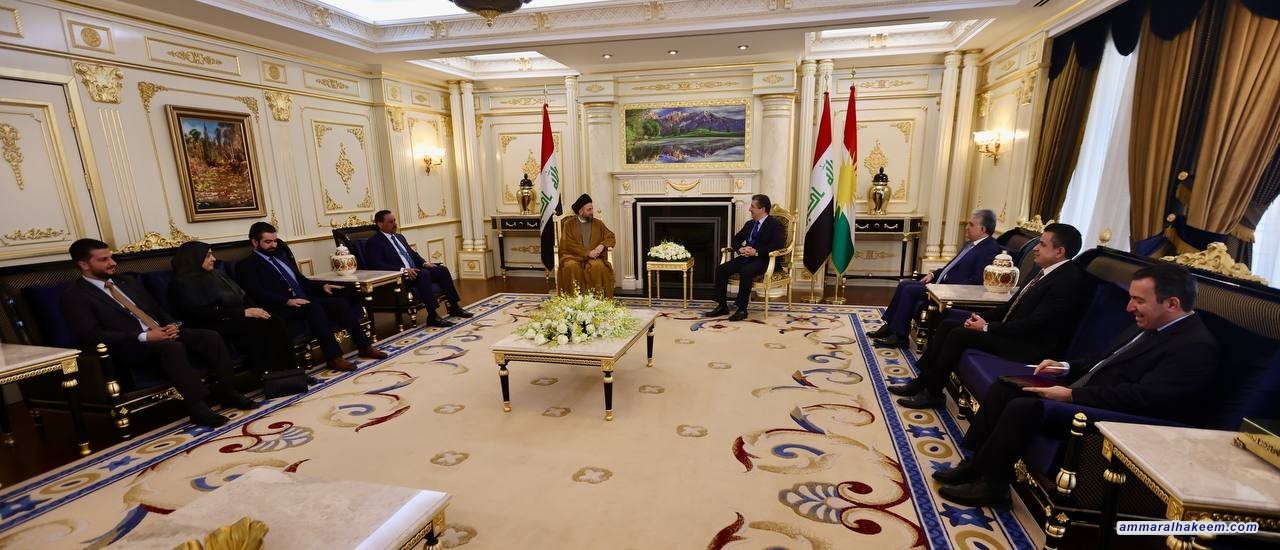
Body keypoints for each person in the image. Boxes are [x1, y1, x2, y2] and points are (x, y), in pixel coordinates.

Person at [934, 263, 1217, 507]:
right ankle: (975, 465)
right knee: (1005, 387)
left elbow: (1145, 398)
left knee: (1024, 407)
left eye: (1138, 300)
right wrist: (1065, 366)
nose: (1129, 307)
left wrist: (1072, 395)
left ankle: (994, 486)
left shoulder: (1194, 347)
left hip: (1118, 416)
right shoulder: (1151, 322)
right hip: (1090, 391)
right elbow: (1104, 361)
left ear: (1172, 304)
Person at [891, 223, 1094, 409]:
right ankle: (923, 381)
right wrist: (982, 318)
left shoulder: (1068, 281)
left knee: (958, 335)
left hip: (1029, 346)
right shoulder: (1041, 269)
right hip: (1014, 333)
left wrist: (986, 327)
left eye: (1042, 244)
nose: (1035, 248)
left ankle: (933, 393)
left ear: (1059, 251)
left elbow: (1034, 324)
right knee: (948, 324)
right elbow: (1011, 305)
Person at [60, 239, 256, 427]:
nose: (112, 263)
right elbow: (91, 334)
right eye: (104, 259)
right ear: (84, 264)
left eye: (111, 257)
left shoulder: (127, 281)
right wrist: (145, 336)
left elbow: (156, 309)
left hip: (161, 332)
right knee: (172, 348)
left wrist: (172, 324)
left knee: (209, 336)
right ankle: (197, 407)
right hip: (130, 345)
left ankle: (229, 392)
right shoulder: (75, 296)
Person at [235, 222, 387, 372]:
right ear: (254, 242)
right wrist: (287, 301)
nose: (273, 245)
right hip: (280, 307)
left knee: (338, 303)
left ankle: (365, 347)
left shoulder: (281, 257)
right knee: (313, 308)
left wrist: (322, 286)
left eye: (275, 241)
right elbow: (257, 293)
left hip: (303, 301)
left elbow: (301, 281)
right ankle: (334, 358)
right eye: (268, 242)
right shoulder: (247, 265)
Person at [868, 209, 1002, 348]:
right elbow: (951, 266)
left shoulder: (989, 249)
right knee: (904, 284)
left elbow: (978, 280)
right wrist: (933, 274)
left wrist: (948, 289)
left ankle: (900, 337)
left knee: (909, 289)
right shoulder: (971, 244)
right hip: (942, 286)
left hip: (952, 292)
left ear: (982, 229)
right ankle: (890, 327)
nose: (967, 227)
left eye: (971, 224)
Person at [169, 241, 300, 381]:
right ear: (194, 258)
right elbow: (199, 314)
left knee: (273, 319)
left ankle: (292, 371)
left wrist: (254, 309)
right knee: (258, 326)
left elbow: (242, 295)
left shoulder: (216, 275)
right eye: (208, 256)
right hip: (211, 323)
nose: (213, 259)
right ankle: (269, 376)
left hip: (233, 316)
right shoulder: (182, 283)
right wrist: (242, 313)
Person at [363, 210, 471, 327]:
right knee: (424, 274)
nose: (395, 224)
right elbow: (376, 265)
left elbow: (413, 254)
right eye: (390, 222)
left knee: (441, 270)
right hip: (400, 277)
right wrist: (402, 270)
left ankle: (454, 307)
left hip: (415, 271)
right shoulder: (374, 242)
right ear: (380, 224)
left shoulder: (399, 237)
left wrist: (425, 263)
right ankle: (433, 316)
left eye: (394, 220)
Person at [706, 194, 786, 322]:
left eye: (753, 207)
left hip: (765, 260)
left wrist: (757, 252)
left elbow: (778, 244)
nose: (749, 209)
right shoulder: (750, 224)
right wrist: (740, 249)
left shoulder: (775, 224)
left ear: (762, 209)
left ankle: (742, 309)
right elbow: (736, 239)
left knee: (746, 271)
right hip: (746, 258)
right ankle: (722, 306)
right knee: (721, 269)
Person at [557, 194, 617, 297]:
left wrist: (602, 245)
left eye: (592, 209)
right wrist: (587, 253)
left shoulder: (598, 224)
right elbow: (568, 244)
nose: (592, 212)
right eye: (589, 210)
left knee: (598, 266)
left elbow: (611, 237)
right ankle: (574, 300)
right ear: (580, 211)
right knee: (571, 266)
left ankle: (597, 300)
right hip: (574, 257)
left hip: (594, 258)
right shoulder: (569, 224)